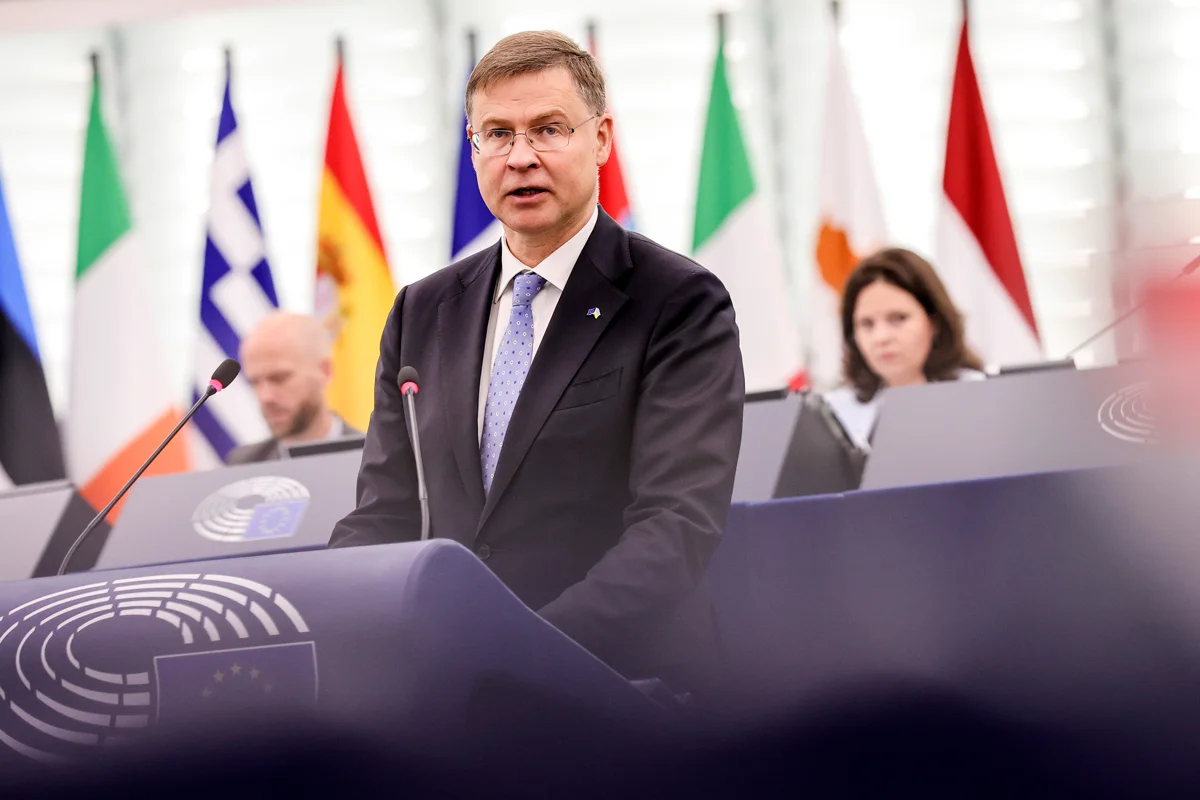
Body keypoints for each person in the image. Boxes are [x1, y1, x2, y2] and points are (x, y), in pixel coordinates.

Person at [328, 30, 745, 693]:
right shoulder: (421, 312)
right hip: (452, 692)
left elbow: (674, 526)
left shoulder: (677, 301)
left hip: (624, 688)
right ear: (473, 148)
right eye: (497, 134)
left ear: (601, 139)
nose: (520, 158)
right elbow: (385, 513)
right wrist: (328, 607)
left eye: (548, 129)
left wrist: (525, 657)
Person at [825, 248, 985, 449]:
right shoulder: (832, 415)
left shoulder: (981, 398)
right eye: (867, 324)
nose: (881, 338)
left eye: (898, 318)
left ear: (934, 322)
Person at [226, 311, 360, 464]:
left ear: (325, 371)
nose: (266, 397)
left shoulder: (374, 460)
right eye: (255, 382)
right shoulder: (243, 466)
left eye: (279, 378)